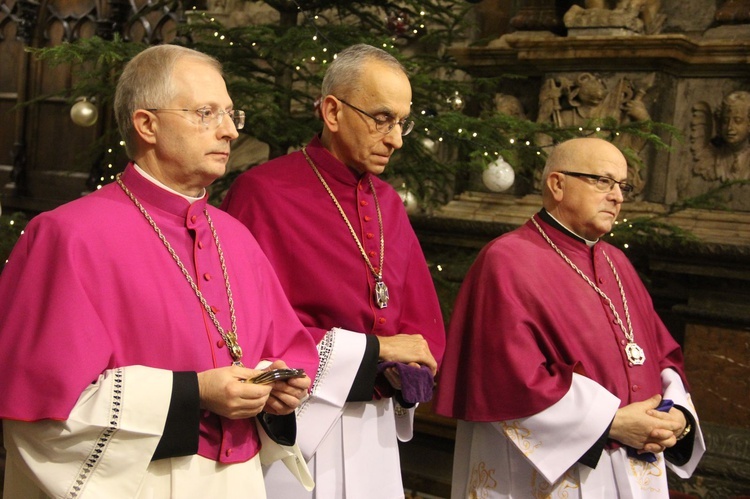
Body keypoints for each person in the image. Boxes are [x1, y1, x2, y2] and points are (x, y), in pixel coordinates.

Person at [0, 44, 319, 498]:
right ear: (147, 124)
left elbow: (288, 350)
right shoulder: (66, 236)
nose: (228, 131)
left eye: (231, 114)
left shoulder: (237, 238)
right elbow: (40, 416)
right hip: (138, 481)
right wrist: (194, 393)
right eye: (206, 113)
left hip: (242, 481)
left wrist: (280, 389)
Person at [221, 43, 446, 499]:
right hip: (294, 426)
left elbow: (421, 330)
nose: (396, 139)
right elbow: (244, 330)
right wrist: (376, 350)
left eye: (402, 122)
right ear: (332, 111)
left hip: (376, 429)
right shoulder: (263, 193)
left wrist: (409, 367)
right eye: (381, 119)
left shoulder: (388, 203)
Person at [434, 137, 705, 498]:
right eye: (603, 181)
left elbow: (659, 355)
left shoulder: (617, 262)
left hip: (634, 463)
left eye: (622, 186)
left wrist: (677, 416)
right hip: (553, 475)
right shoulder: (507, 260)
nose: (617, 196)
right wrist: (611, 423)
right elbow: (505, 378)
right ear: (557, 185)